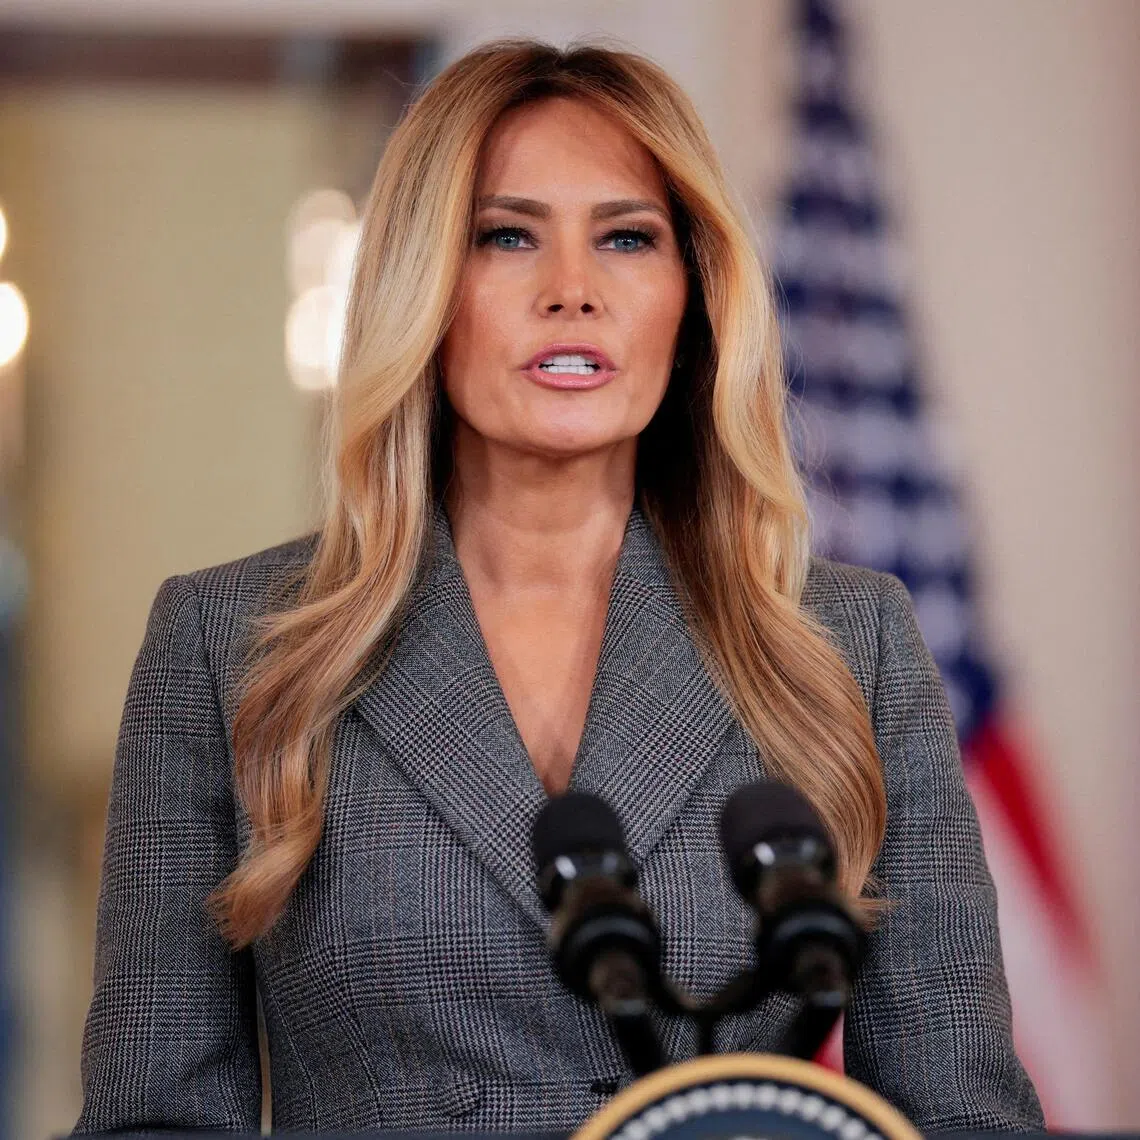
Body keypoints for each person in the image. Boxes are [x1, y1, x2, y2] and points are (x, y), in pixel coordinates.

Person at [74, 39, 1044, 1135]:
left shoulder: (846, 643)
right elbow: (152, 1120)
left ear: (694, 299)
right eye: (506, 237)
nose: (572, 293)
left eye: (627, 238)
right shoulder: (225, 643)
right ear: (425, 289)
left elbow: (962, 1115)